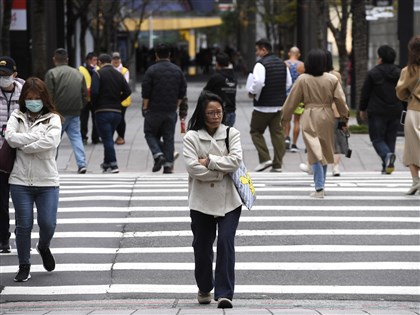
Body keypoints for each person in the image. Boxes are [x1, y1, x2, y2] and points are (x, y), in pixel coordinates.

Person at [183, 91, 242, 309]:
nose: (216, 116)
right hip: (201, 202)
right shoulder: (191, 137)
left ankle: (225, 293)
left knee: (226, 242)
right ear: (202, 113)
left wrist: (208, 161)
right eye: (211, 113)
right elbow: (192, 167)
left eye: (219, 112)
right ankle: (205, 287)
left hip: (230, 201)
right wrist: (220, 169)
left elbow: (235, 161)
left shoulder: (231, 133)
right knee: (202, 246)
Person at [5, 77, 62, 282]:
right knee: (24, 225)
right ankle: (24, 265)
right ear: (24, 99)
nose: (33, 101)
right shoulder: (16, 115)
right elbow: (10, 138)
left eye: (37, 98)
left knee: (48, 223)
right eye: (29, 98)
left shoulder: (53, 118)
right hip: (20, 180)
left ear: (44, 98)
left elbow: (52, 140)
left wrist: (25, 145)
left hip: (47, 181)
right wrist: (35, 138)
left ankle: (43, 246)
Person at [282, 49, 349, 198]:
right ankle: (321, 185)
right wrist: (344, 117)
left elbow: (292, 100)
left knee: (314, 150)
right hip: (327, 115)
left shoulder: (303, 79)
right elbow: (340, 100)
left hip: (310, 113)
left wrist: (284, 117)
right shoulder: (332, 79)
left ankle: (319, 187)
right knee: (324, 150)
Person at [247, 38, 292, 172]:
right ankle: (278, 164)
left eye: (257, 50)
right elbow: (288, 83)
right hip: (279, 105)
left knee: (255, 131)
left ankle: (265, 158)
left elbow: (259, 82)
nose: (256, 53)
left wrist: (252, 92)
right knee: (278, 134)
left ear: (264, 50)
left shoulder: (260, 65)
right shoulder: (282, 64)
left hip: (262, 105)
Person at [142, 43, 187, 174]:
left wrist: (145, 108)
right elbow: (182, 92)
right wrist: (176, 105)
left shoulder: (151, 71)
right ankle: (168, 165)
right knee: (169, 138)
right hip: (170, 110)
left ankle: (158, 154)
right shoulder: (177, 71)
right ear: (169, 55)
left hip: (153, 110)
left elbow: (146, 91)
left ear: (156, 55)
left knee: (149, 133)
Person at [359, 45, 403, 174]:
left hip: (377, 111)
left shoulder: (373, 73)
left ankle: (386, 156)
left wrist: (362, 109)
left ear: (381, 58)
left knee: (377, 139)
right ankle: (387, 166)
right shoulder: (400, 73)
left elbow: (365, 93)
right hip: (395, 110)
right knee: (391, 138)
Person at [45, 48, 88, 174]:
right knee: (76, 137)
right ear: (67, 59)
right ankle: (82, 164)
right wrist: (81, 106)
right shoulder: (78, 73)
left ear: (54, 60)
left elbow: (48, 94)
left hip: (57, 112)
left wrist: (49, 110)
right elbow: (85, 94)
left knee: (55, 139)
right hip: (75, 111)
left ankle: (51, 165)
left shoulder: (51, 73)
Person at [91, 53, 131, 174]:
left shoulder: (98, 74)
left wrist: (95, 104)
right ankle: (107, 163)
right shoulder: (119, 74)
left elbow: (94, 92)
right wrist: (118, 100)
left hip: (102, 111)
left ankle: (113, 164)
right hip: (117, 112)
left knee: (107, 139)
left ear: (99, 63)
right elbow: (127, 90)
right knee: (108, 137)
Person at [0, 56, 23, 254]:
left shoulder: (26, 95)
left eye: (6, 75)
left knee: (20, 199)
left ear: (14, 75)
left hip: (21, 155)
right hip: (0, 155)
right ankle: (3, 238)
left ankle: (22, 236)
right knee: (1, 200)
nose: (2, 78)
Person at [396, 35, 420, 195]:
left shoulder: (408, 70)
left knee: (412, 147)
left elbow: (400, 92)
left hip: (414, 110)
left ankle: (415, 181)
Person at [203, 52, 237, 127]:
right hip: (231, 112)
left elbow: (205, 93)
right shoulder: (234, 77)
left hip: (218, 113)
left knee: (216, 137)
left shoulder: (216, 77)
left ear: (217, 64)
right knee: (227, 136)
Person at [284, 46, 305, 152]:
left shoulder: (284, 63)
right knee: (297, 120)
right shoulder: (301, 65)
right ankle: (294, 144)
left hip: (286, 95)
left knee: (286, 119)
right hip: (299, 96)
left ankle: (286, 137)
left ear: (289, 53)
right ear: (299, 54)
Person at [79, 52, 101, 145]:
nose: (95, 62)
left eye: (96, 60)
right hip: (84, 98)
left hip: (95, 97)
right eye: (93, 60)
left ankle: (95, 137)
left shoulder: (99, 69)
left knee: (96, 118)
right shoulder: (80, 69)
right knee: (84, 119)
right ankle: (83, 137)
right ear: (88, 60)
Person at [111, 52, 131, 145]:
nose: (116, 61)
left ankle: (121, 136)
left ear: (120, 60)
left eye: (117, 59)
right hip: (112, 97)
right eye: (114, 59)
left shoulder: (124, 70)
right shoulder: (109, 69)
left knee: (121, 118)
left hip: (123, 99)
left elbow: (125, 84)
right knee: (113, 118)